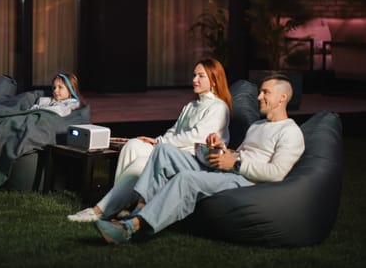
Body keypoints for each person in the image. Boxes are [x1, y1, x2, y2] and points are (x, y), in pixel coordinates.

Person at [93, 73, 305, 244]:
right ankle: (140, 208)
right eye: (260, 92)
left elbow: (277, 173)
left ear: (282, 97)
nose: (259, 97)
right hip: (231, 168)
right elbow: (241, 153)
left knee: (186, 178)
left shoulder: (291, 132)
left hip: (246, 180)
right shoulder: (258, 125)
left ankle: (131, 228)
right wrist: (222, 149)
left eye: (265, 92)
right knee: (164, 151)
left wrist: (237, 164)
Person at [68, 57, 232, 222]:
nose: (194, 80)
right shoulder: (191, 106)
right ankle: (124, 205)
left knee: (141, 164)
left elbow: (196, 136)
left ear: (214, 81)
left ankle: (100, 210)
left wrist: (161, 143)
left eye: (200, 76)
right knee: (134, 145)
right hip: (171, 150)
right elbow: (174, 131)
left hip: (189, 158)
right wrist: (157, 140)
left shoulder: (218, 107)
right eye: (194, 75)